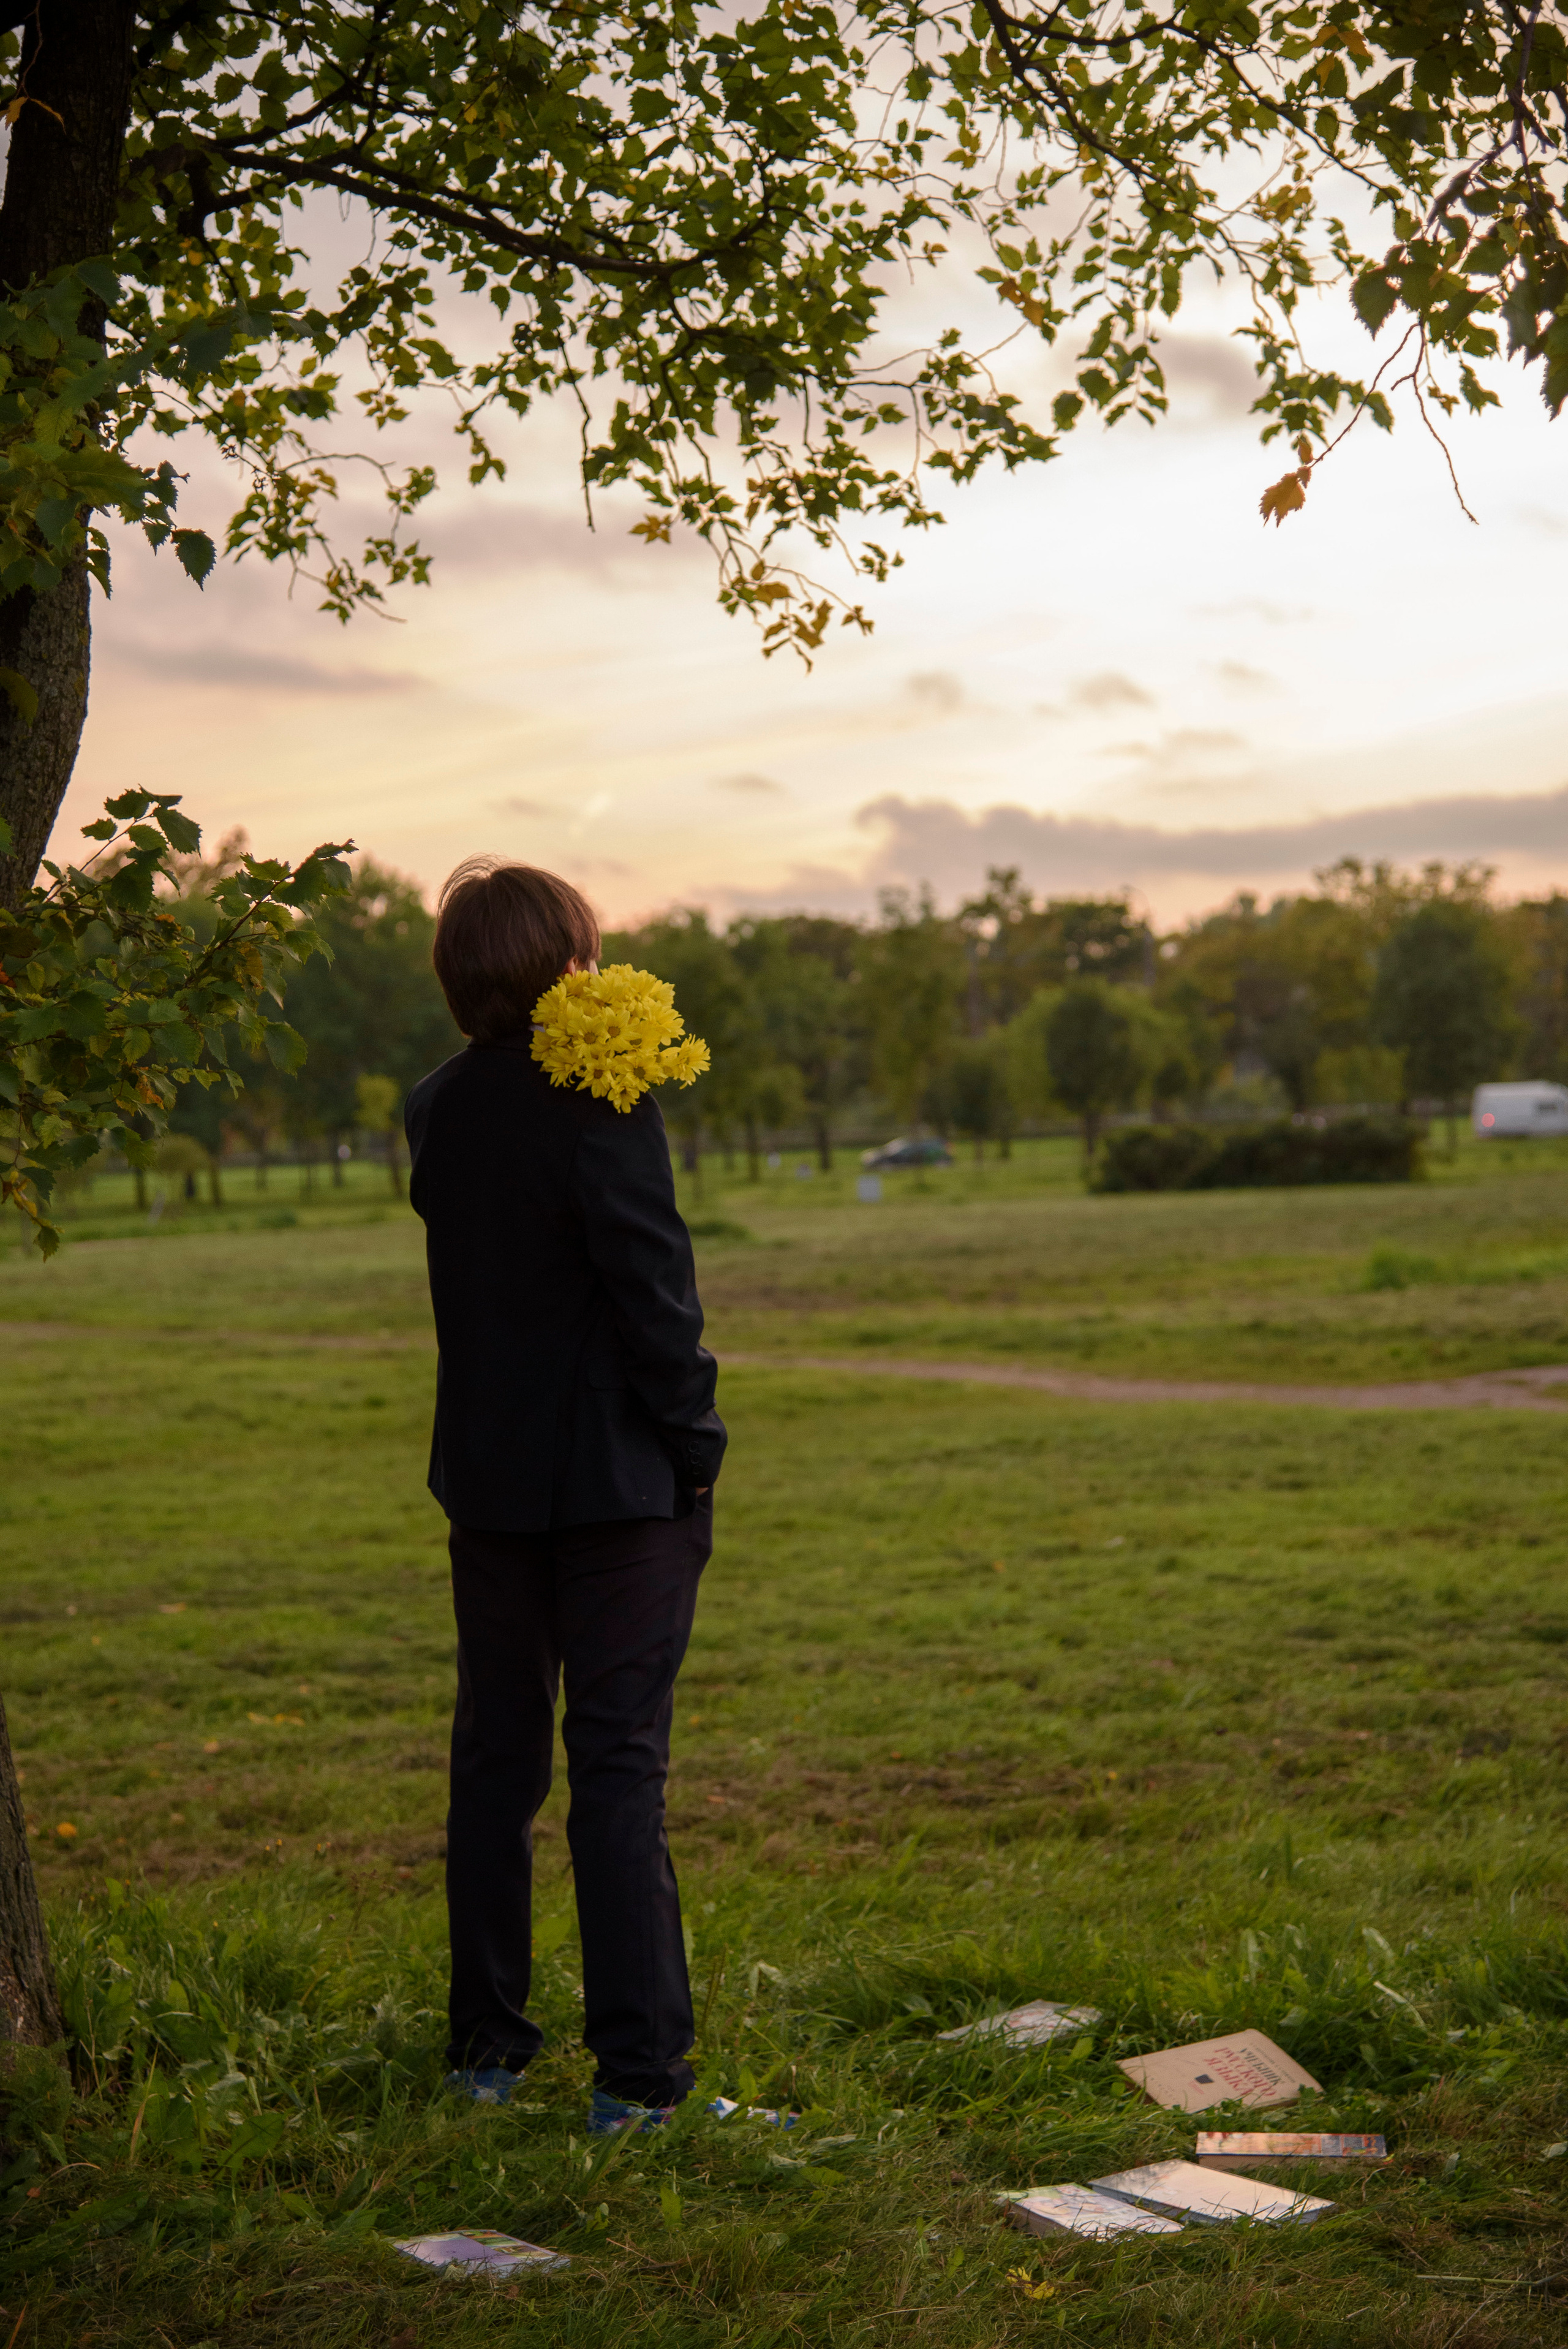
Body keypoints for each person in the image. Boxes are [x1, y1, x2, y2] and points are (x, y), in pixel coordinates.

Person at [405, 857, 726, 2133]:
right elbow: (655, 1296)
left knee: (495, 1759)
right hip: (616, 1486)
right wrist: (696, 1444)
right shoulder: (604, 1101)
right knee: (617, 1767)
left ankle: (484, 2051)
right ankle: (638, 2082)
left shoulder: (436, 1108)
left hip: (487, 1480)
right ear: (563, 965)